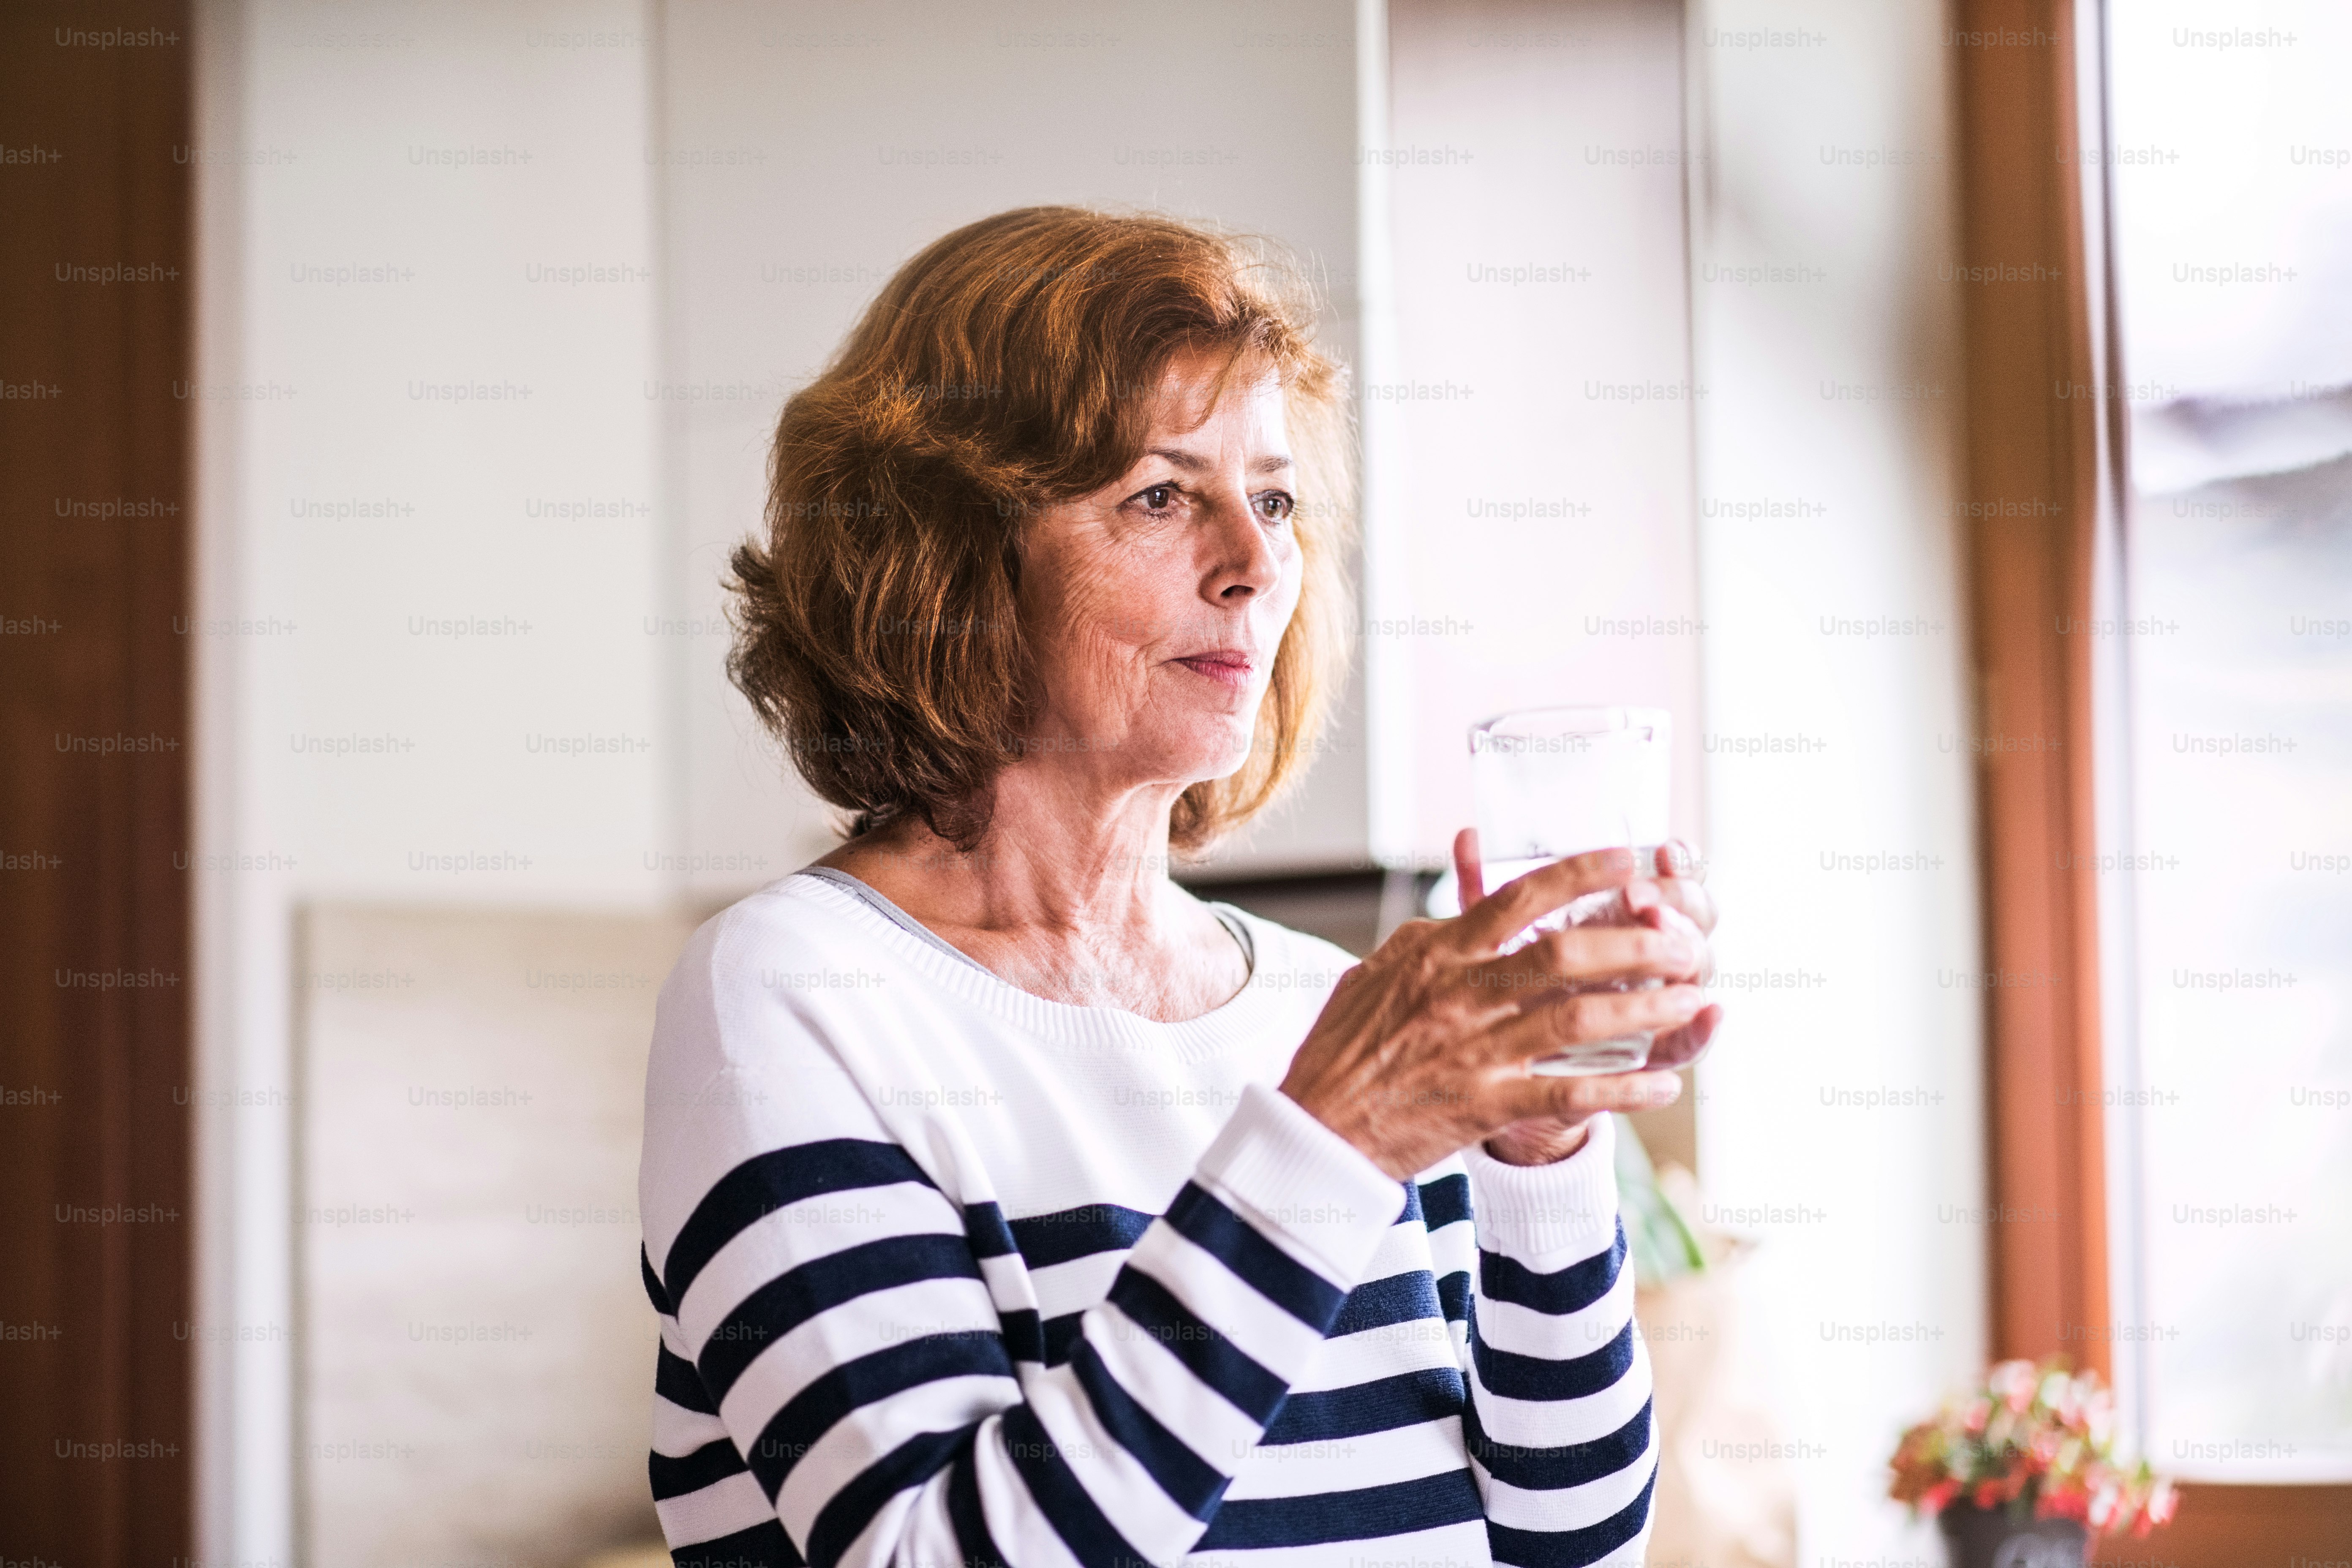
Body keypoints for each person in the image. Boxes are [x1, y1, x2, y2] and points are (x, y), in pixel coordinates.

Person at [637, 206, 1721, 1568]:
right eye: (1162, 494)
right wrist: (1341, 1131)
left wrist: (1540, 1151)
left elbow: (1571, 1542)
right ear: (953, 562)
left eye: (1271, 498)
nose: (1257, 564)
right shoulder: (793, 996)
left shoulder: (1338, 1010)